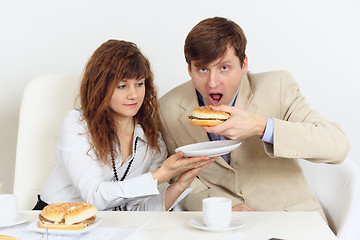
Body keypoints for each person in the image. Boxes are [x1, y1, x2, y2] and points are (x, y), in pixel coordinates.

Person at [159, 17, 349, 220]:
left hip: (290, 220)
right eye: (203, 69)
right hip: (222, 225)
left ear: (244, 65)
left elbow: (337, 146)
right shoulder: (167, 107)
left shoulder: (278, 87)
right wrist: (216, 207)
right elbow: (170, 177)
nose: (212, 83)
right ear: (190, 69)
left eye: (224, 68)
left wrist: (262, 126)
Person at [33, 40, 213, 211]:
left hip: (105, 226)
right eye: (122, 86)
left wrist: (182, 183)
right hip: (52, 222)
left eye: (139, 84)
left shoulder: (152, 140)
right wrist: (160, 175)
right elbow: (93, 196)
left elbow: (135, 210)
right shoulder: (77, 125)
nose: (133, 95)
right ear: (100, 87)